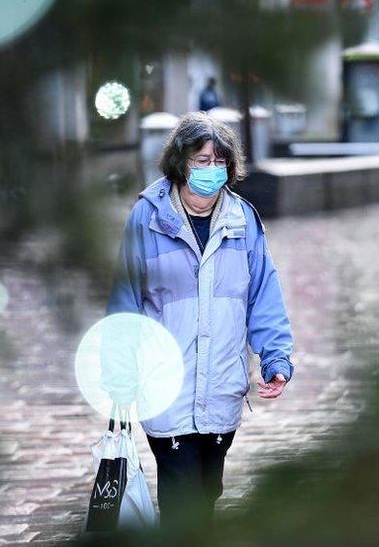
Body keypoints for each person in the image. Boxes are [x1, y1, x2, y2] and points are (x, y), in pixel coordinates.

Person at [106, 112, 294, 528]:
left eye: (218, 162)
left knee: (207, 493)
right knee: (182, 498)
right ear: (180, 162)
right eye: (200, 161)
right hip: (166, 387)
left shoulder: (243, 221)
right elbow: (126, 299)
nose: (210, 170)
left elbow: (264, 293)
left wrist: (275, 357)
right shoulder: (148, 217)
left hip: (222, 386)